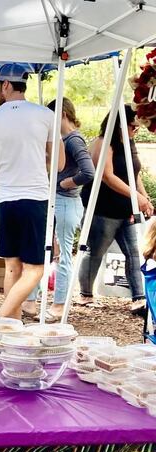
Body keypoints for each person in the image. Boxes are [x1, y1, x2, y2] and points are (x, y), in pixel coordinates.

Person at [0, 63, 65, 319]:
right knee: (36, 269)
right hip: (36, 200)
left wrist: (7, 175)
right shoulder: (46, 116)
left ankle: (10, 329)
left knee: (12, 267)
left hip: (5, 200)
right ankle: (3, 318)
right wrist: (34, 166)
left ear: (5, 85)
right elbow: (58, 163)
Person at [76, 104, 153, 313]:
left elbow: (134, 172)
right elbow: (107, 176)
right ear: (119, 125)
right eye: (131, 126)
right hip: (103, 208)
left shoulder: (129, 143)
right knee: (96, 252)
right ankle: (85, 293)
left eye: (136, 128)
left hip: (126, 209)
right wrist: (136, 196)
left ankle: (138, 297)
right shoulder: (103, 143)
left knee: (134, 252)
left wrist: (143, 197)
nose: (134, 131)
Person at [24, 97, 95, 321]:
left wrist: (65, 183)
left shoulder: (73, 140)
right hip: (55, 200)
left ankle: (58, 305)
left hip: (66, 202)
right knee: (45, 250)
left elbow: (88, 172)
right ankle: (31, 300)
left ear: (62, 114)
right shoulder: (62, 139)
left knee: (63, 254)